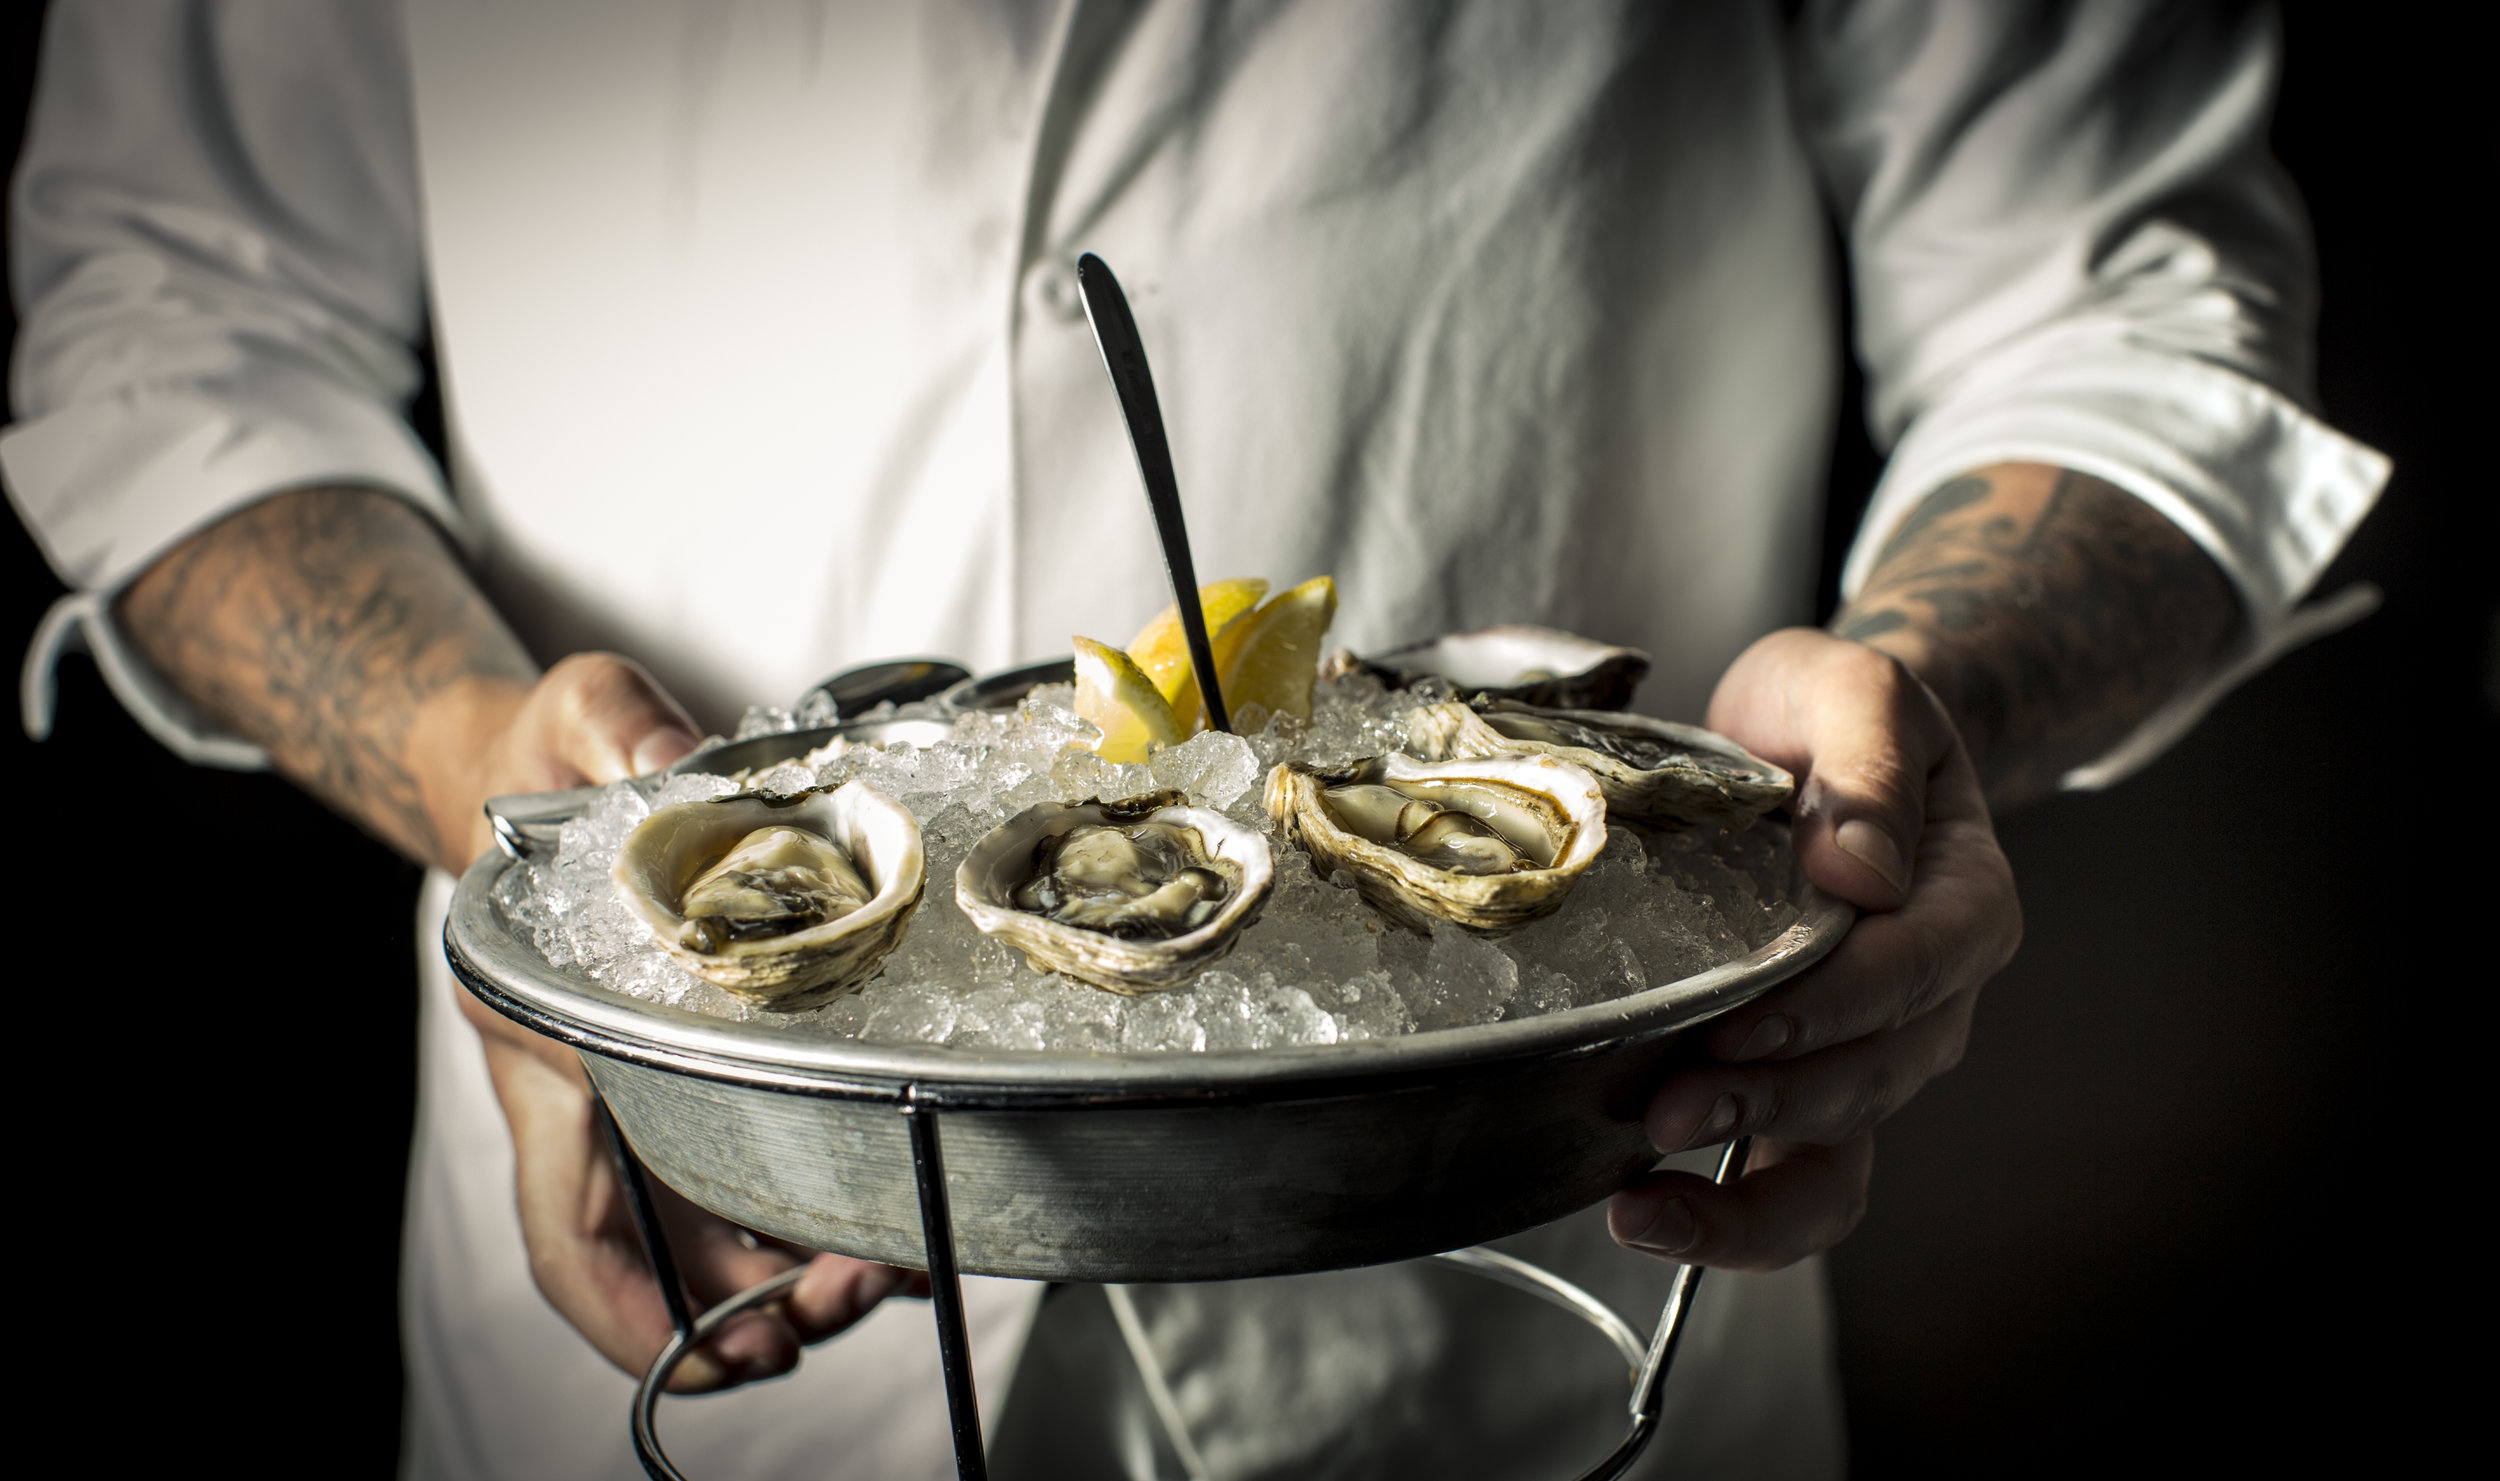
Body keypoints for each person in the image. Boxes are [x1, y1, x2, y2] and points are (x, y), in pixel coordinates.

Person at [4, 1, 2385, 1476]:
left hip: (1550, 1269)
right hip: (690, 1233)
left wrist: (1914, 710)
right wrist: (478, 769)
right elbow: (165, 322)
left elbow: (2126, 304)